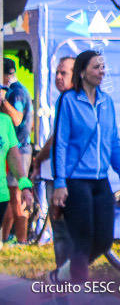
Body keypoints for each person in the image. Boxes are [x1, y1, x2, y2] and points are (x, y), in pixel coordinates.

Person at [51, 51, 120, 283]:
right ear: (83, 72)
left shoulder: (107, 102)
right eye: (96, 67)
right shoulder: (68, 101)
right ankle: (76, 288)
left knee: (104, 241)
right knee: (82, 241)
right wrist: (60, 183)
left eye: (103, 67)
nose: (102, 72)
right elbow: (61, 143)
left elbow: (113, 142)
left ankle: (62, 276)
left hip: (100, 180)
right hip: (76, 181)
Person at [28, 56, 75, 277]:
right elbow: (54, 137)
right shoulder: (63, 100)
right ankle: (63, 275)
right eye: (56, 72)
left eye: (63, 73)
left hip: (65, 178)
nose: (57, 77)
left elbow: (58, 139)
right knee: (59, 231)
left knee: (67, 231)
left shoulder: (75, 100)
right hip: (53, 174)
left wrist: (38, 160)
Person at [1, 57, 32, 244]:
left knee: (17, 197)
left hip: (19, 150)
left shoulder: (17, 91)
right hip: (17, 149)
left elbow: (17, 119)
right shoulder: (16, 89)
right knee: (12, 198)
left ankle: (22, 241)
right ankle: (7, 239)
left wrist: (2, 101)